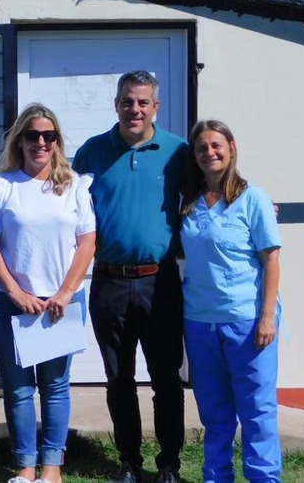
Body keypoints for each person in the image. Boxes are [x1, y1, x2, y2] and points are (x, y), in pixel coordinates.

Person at [72, 70, 187, 483]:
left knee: (166, 378)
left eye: (143, 102)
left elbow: (211, 188)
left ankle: (169, 465)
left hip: (161, 282)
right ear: (116, 103)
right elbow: (57, 196)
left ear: (155, 106)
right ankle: (129, 462)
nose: (134, 109)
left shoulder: (178, 151)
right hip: (110, 281)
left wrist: (246, 198)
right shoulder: (92, 152)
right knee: (119, 378)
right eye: (127, 101)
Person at [0, 103, 96, 483]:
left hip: (59, 305)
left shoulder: (75, 185)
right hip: (8, 302)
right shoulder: (2, 184)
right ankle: (26, 468)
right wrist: (14, 291)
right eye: (32, 135)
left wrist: (65, 292)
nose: (40, 142)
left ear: (58, 141)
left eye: (49, 136)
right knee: (17, 388)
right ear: (20, 140)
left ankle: (52, 469)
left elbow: (87, 242)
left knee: (56, 387)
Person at [180, 120, 282, 482]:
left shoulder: (252, 198)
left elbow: (271, 258)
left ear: (232, 148)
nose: (210, 152)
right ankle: (217, 477)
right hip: (200, 322)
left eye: (216, 145)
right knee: (215, 412)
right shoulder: (187, 202)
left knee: (257, 409)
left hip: (247, 320)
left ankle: (264, 477)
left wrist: (267, 316)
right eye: (202, 147)